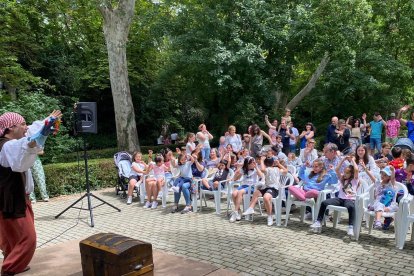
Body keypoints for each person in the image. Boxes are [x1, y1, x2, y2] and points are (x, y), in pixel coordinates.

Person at [0, 110, 62, 275]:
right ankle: (9, 268)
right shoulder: (6, 145)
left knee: (11, 236)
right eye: (22, 124)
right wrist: (36, 139)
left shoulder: (11, 142)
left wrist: (46, 122)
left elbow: (29, 137)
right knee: (28, 238)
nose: (25, 127)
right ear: (11, 128)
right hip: (12, 200)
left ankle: (13, 263)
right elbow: (21, 152)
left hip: (15, 198)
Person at [310, 156, 360, 236]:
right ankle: (318, 221)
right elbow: (337, 169)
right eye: (344, 172)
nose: (344, 174)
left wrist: (353, 160)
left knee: (351, 207)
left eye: (347, 173)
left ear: (351, 174)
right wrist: (343, 159)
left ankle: (350, 227)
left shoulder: (355, 180)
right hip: (340, 199)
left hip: (349, 200)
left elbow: (356, 170)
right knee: (324, 203)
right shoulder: (342, 179)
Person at [242, 156, 288, 226]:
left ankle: (270, 216)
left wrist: (262, 160)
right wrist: (278, 164)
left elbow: (285, 171)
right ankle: (251, 208)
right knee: (256, 192)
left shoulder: (276, 169)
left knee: (266, 197)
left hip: (274, 189)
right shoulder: (269, 169)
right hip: (266, 187)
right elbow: (263, 169)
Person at [229, 157, 263, 222]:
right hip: (244, 186)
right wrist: (237, 172)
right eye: (251, 163)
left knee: (240, 192)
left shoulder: (256, 169)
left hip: (252, 187)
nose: (253, 164)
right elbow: (236, 179)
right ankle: (238, 211)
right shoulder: (244, 169)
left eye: (254, 162)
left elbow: (261, 176)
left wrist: (256, 167)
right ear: (247, 164)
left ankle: (235, 212)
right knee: (234, 193)